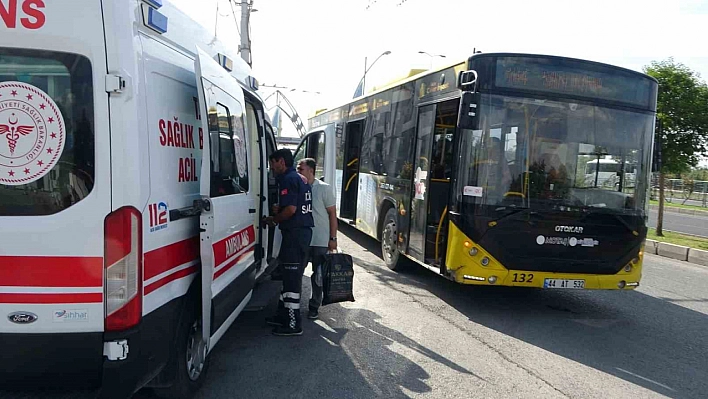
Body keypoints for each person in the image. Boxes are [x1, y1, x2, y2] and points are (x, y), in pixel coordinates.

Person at [264, 149, 314, 336]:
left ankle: (293, 324)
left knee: (292, 281)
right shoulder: (300, 178)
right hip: (299, 234)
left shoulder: (288, 179)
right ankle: (283, 316)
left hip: (295, 235)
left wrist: (274, 219)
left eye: (273, 163)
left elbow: (291, 210)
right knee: (287, 277)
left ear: (281, 162)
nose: (271, 168)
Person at [296, 158, 338, 320]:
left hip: (320, 239)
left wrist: (333, 238)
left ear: (311, 171)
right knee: (298, 272)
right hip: (302, 239)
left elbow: (332, 214)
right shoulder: (298, 187)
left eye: (301, 170)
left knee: (318, 275)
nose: (298, 172)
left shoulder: (324, 189)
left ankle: (314, 306)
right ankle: (294, 305)